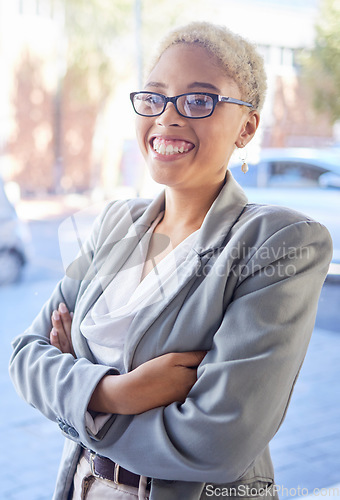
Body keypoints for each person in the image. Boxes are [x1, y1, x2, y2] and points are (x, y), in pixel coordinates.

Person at [9, 21, 332, 500]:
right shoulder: (116, 223)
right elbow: (25, 356)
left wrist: (74, 395)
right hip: (82, 487)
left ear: (247, 127)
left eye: (199, 99)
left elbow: (217, 442)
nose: (168, 117)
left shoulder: (279, 242)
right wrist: (115, 393)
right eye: (155, 97)